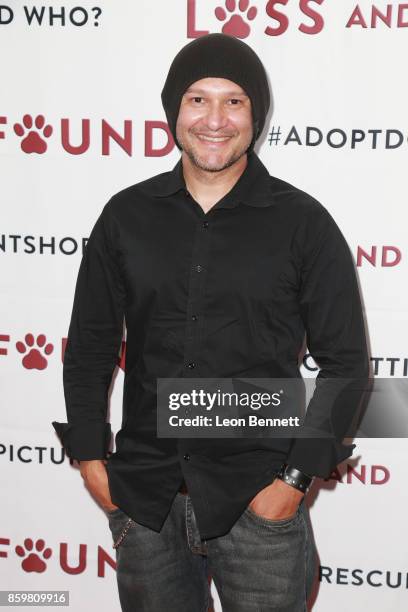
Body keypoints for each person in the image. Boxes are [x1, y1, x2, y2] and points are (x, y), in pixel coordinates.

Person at [53, 33, 369, 612]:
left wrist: (292, 484)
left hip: (260, 501)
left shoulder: (304, 223)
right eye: (198, 99)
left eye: (235, 101)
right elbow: (92, 346)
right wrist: (92, 460)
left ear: (257, 115)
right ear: (175, 110)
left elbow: (345, 365)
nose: (215, 119)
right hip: (147, 501)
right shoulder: (126, 216)